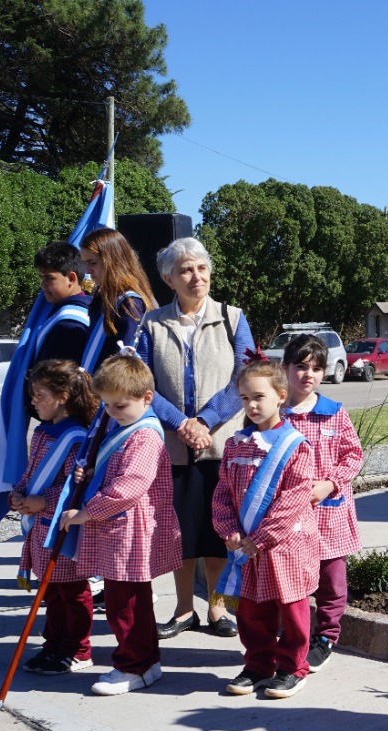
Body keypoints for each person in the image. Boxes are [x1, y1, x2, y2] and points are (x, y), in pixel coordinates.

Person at [139, 237, 255, 640]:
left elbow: (245, 377)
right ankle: (184, 608)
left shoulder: (233, 318)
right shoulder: (151, 323)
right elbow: (143, 385)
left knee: (218, 530)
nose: (196, 277)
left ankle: (217, 609)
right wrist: (182, 424)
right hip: (174, 449)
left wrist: (204, 421)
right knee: (180, 531)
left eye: (202, 268)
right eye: (186, 270)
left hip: (223, 446)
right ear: (169, 278)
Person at [58, 355, 182, 696]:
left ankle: (133, 665)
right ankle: (146, 662)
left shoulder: (144, 436)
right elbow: (114, 470)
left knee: (123, 602)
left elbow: (128, 487)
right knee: (131, 599)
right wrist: (90, 471)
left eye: (119, 405)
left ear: (146, 397)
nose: (112, 412)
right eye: (108, 405)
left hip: (128, 529)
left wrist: (84, 514)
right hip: (119, 528)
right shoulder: (124, 426)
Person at [212, 360, 319, 699]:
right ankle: (258, 664)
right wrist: (227, 527)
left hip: (284, 547)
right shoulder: (235, 444)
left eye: (259, 397)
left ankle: (292, 668)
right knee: (251, 611)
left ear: (281, 396)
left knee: (292, 611)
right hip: (247, 548)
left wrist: (261, 538)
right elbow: (223, 493)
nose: (252, 405)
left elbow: (292, 500)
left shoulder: (295, 446)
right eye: (244, 398)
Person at [281, 334, 363, 672]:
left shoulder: (334, 413)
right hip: (287, 520)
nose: (308, 374)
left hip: (329, 516)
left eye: (316, 368)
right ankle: (290, 637)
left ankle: (327, 635)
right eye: (300, 367)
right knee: (290, 579)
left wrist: (330, 484)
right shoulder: (275, 413)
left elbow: (354, 456)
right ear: (285, 369)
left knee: (332, 580)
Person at [12, 360, 99, 675]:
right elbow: (31, 471)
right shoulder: (43, 432)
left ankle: (78, 648)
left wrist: (41, 501)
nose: (34, 401)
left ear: (62, 396)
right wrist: (20, 494)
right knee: (51, 591)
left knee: (72, 591)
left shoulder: (76, 437)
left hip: (61, 527)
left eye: (40, 395)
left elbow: (74, 485)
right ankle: (54, 645)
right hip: (39, 528)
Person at [77, 228, 157, 371]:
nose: (88, 270)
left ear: (113, 261)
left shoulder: (130, 303)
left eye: (93, 263)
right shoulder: (101, 298)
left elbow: (126, 360)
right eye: (85, 263)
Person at [31, 243, 92, 367]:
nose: (42, 284)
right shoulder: (89, 309)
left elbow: (58, 380)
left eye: (49, 277)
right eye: (41, 277)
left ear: (71, 278)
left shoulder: (68, 325)